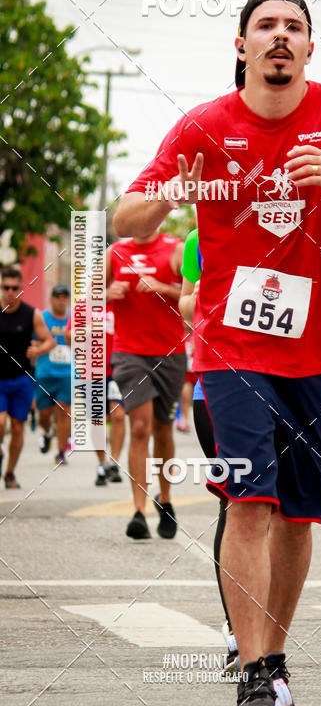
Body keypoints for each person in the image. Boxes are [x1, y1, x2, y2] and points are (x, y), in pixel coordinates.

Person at [114, 0, 321, 706]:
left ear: (310, 47)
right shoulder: (203, 127)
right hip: (230, 344)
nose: (279, 37)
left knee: (297, 514)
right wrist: (167, 198)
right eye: (265, 26)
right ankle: (254, 676)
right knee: (248, 498)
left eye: (294, 27)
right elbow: (124, 216)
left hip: (316, 349)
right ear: (241, 46)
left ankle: (274, 658)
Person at [179, 227, 239, 673]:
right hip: (215, 386)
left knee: (282, 513)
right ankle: (238, 630)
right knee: (237, 505)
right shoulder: (198, 238)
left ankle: (267, 629)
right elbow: (184, 304)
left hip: (286, 386)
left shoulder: (289, 222)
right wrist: (202, 296)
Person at [106, 231, 186, 539]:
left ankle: (164, 499)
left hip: (170, 353)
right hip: (129, 353)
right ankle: (138, 511)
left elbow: (199, 294)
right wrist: (106, 292)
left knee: (162, 430)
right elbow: (89, 292)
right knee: (139, 427)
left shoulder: (175, 248)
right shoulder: (115, 252)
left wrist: (164, 287)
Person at [0, 266, 55, 488]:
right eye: (6, 287)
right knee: (1, 422)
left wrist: (39, 350)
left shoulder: (31, 314)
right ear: (1, 288)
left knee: (17, 427)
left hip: (22, 379)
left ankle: (10, 472)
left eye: (15, 288)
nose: (10, 292)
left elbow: (49, 340)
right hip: (0, 380)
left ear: (21, 288)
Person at [65, 301, 126, 485]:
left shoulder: (121, 302)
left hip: (118, 369)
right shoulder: (83, 306)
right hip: (91, 372)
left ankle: (114, 462)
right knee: (98, 421)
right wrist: (90, 330)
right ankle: (103, 463)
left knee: (119, 415)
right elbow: (69, 337)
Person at [34, 283, 72, 466]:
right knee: (44, 414)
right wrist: (41, 347)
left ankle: (61, 451)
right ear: (51, 299)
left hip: (67, 373)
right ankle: (48, 432)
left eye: (64, 297)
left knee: (64, 412)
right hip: (45, 373)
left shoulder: (74, 319)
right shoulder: (42, 318)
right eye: (57, 296)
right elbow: (32, 343)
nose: (61, 300)